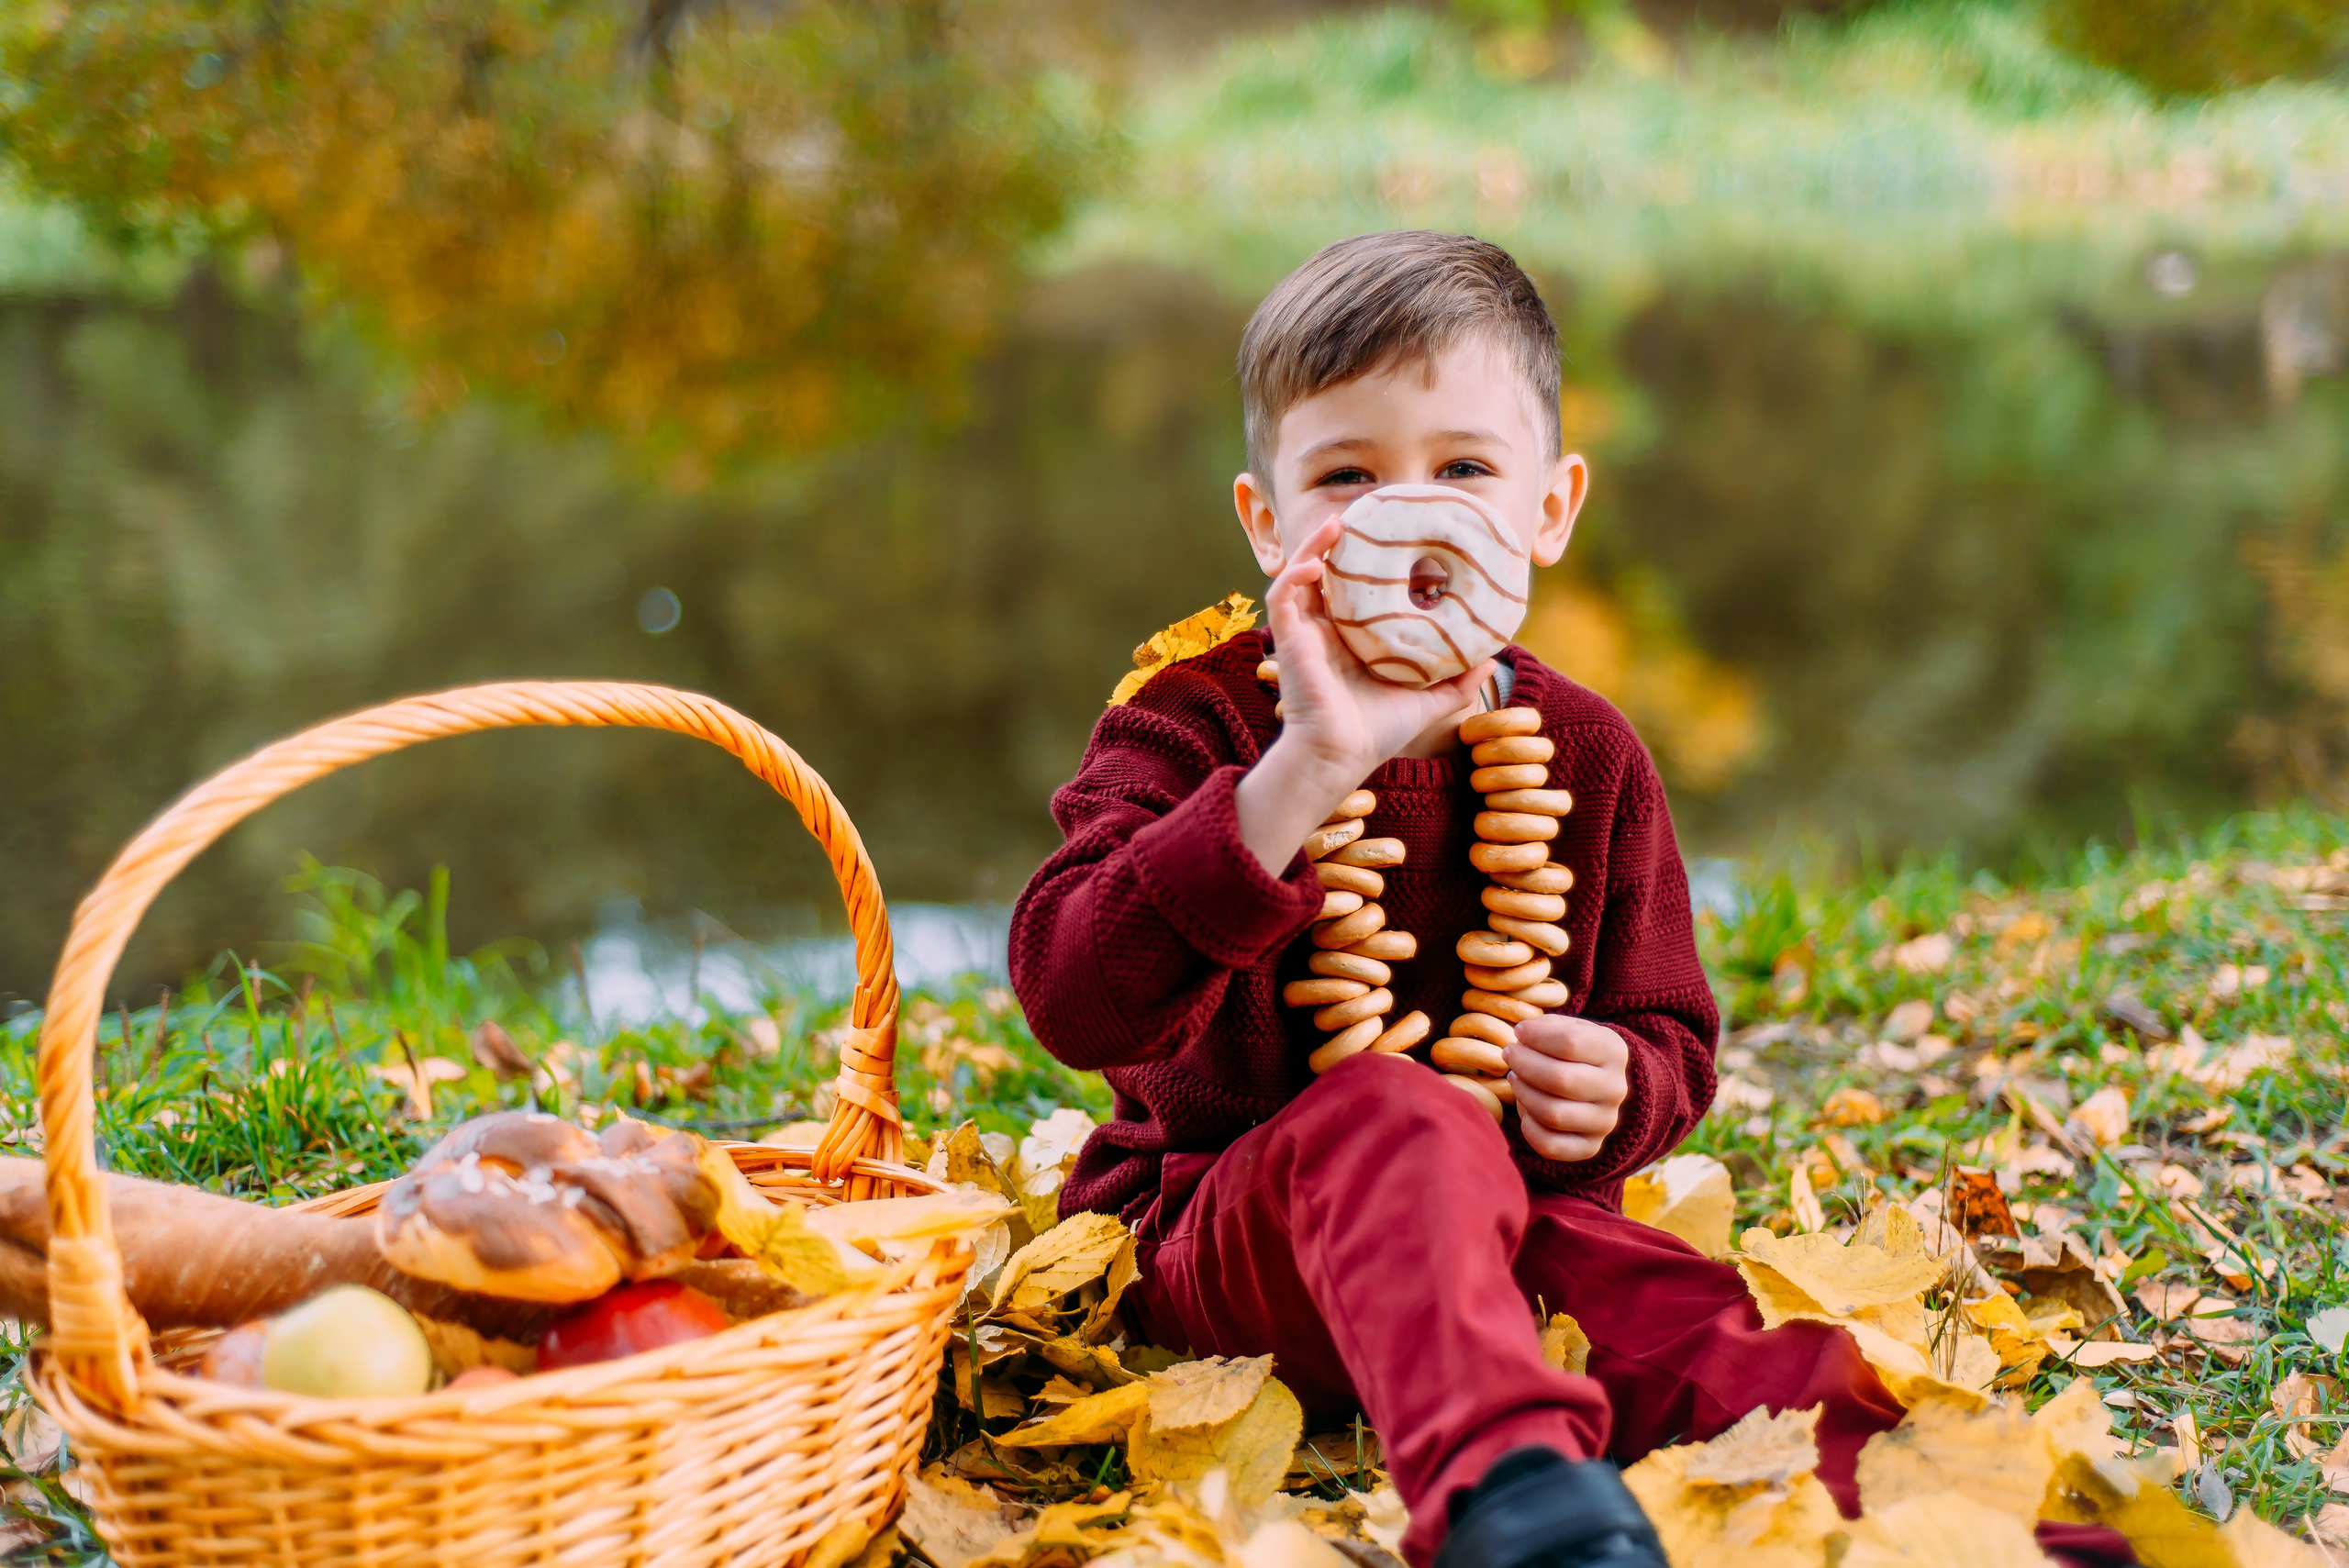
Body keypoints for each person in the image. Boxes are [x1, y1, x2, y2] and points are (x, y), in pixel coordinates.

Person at [1008, 231, 2133, 1568]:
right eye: (1349, 477)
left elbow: (1669, 1031)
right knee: (1392, 1119)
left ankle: (1990, 1528)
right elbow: (1070, 990)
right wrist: (1304, 769)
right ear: (1268, 522)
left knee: (1691, 1318)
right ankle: (1517, 1508)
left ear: (1550, 507)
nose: (1407, 517)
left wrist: (1620, 1082)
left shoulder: (1587, 752)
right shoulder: (1190, 720)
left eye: (1465, 471)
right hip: (1231, 1245)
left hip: (1515, 1238)